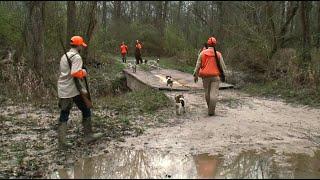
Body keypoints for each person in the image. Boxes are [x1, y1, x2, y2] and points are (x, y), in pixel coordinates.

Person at [57, 35, 102, 148]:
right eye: (81, 45)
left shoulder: (65, 56)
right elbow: (75, 73)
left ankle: (62, 142)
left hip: (65, 88)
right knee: (83, 109)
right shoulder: (76, 57)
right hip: (72, 89)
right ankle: (88, 136)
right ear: (78, 46)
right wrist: (84, 72)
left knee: (67, 112)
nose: (82, 47)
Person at [193, 36, 227, 116]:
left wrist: (195, 75)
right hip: (215, 77)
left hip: (205, 77)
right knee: (213, 94)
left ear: (208, 44)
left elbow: (197, 66)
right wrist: (224, 75)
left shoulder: (202, 53)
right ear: (215, 45)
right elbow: (223, 66)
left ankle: (210, 108)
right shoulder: (218, 54)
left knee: (207, 92)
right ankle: (211, 111)